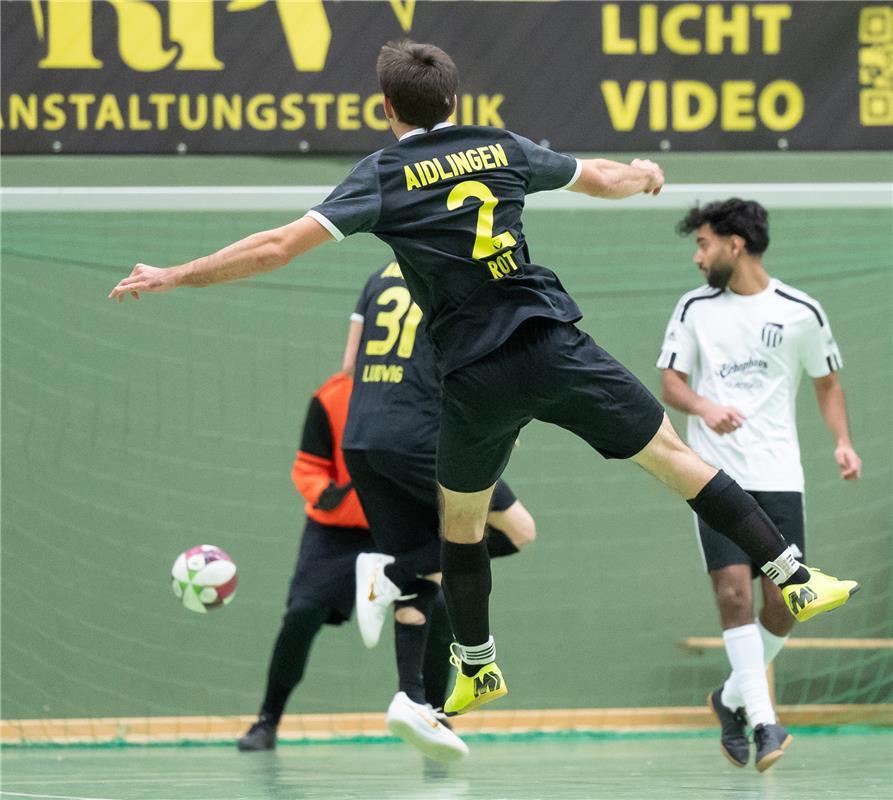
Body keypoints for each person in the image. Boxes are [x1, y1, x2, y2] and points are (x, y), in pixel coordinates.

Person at [109, 40, 859, 719]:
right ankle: (791, 574)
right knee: (676, 460)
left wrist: (173, 273)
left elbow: (277, 246)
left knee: (461, 525)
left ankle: (475, 664)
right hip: (551, 344)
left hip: (472, 376)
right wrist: (640, 177)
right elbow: (595, 175)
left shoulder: (383, 174)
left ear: (386, 107)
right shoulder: (498, 147)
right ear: (456, 103)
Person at [657, 199, 862, 772]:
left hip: (779, 477)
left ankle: (729, 699)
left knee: (784, 603)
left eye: (704, 244)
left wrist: (842, 442)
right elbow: (671, 382)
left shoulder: (801, 311)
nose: (698, 258)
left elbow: (827, 383)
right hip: (714, 475)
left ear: (735, 244)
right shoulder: (693, 308)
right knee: (733, 595)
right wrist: (705, 405)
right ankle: (766, 721)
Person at [340, 260, 535, 755]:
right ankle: (388, 572)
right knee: (517, 532)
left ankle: (412, 700)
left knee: (428, 576)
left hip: (362, 436)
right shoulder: (453, 271)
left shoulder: (378, 274)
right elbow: (469, 364)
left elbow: (348, 366)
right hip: (418, 435)